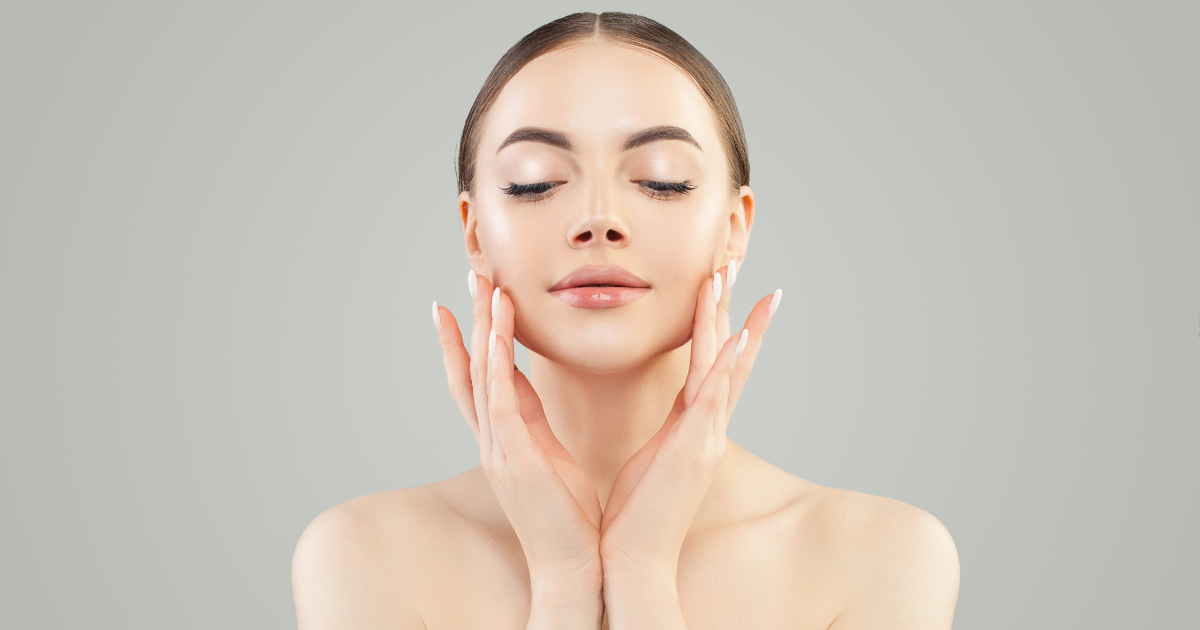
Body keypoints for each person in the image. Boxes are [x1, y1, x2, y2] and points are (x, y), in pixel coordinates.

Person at [292, 11, 959, 629]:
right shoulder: (362, 555)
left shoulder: (883, 556)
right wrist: (564, 582)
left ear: (734, 227)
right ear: (474, 233)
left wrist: (642, 577)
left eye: (663, 179)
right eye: (534, 181)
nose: (598, 219)